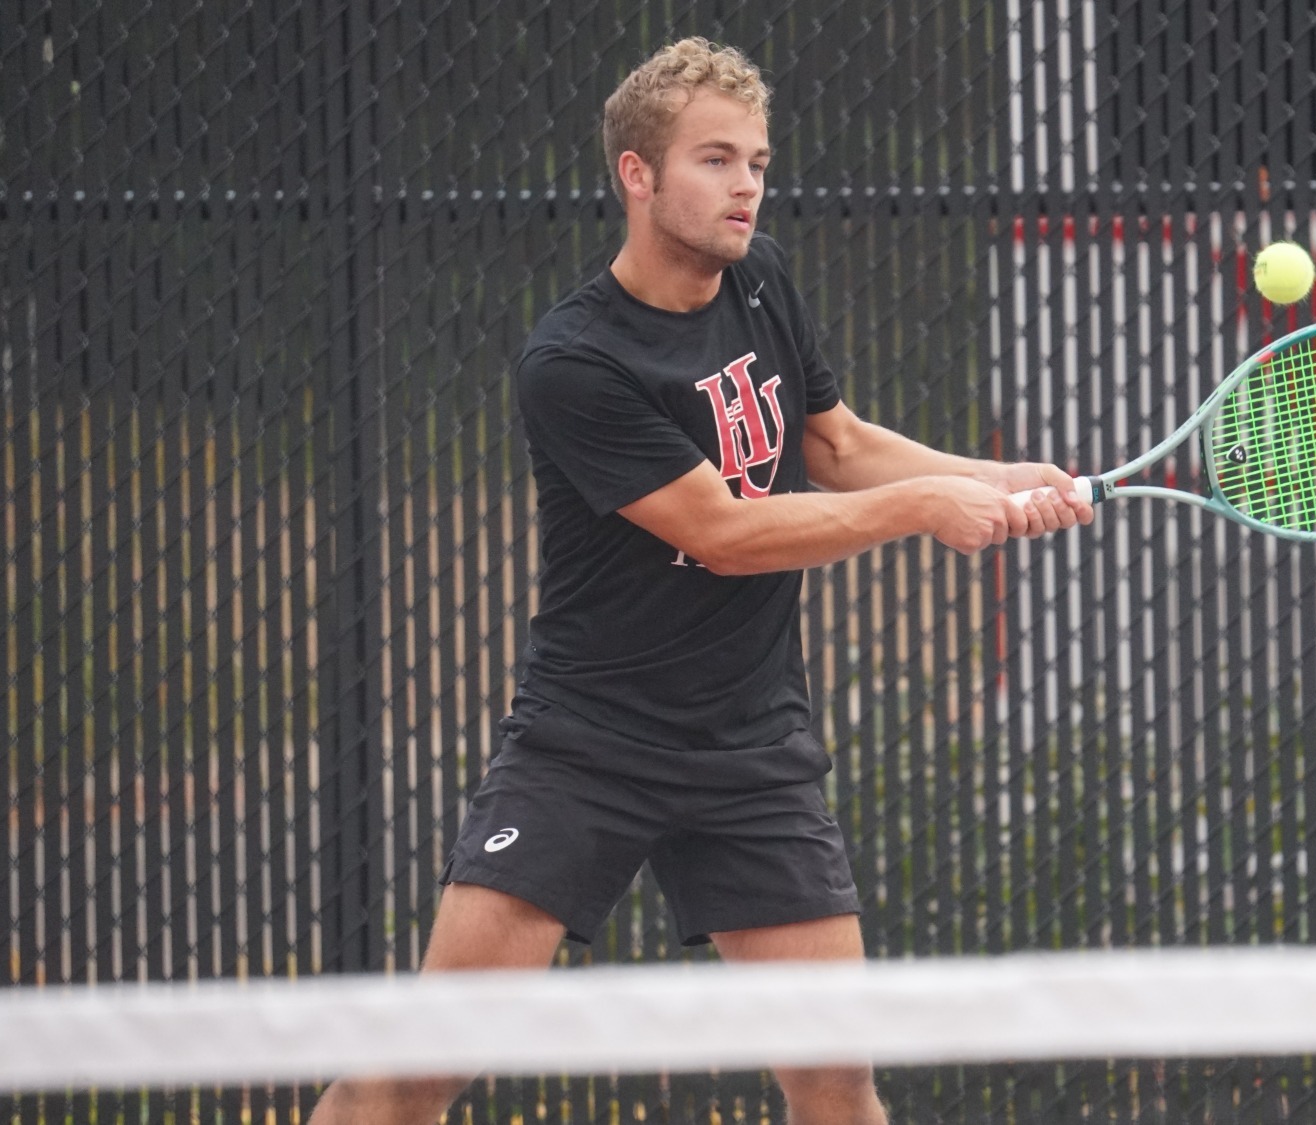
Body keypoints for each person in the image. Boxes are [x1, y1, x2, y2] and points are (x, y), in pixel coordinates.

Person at [307, 36, 1091, 1125]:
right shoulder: (574, 364)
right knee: (419, 1069)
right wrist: (922, 510)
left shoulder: (759, 280)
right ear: (638, 174)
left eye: (758, 163)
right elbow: (723, 531)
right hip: (590, 745)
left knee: (835, 1077)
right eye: (715, 161)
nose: (745, 188)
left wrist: (991, 476)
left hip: (751, 752)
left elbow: (841, 444)